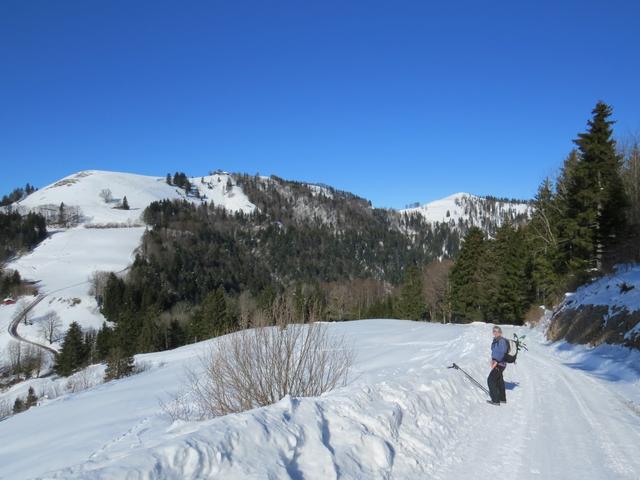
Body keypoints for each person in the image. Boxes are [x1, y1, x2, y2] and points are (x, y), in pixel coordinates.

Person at [487, 325, 508, 406]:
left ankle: (495, 400)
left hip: (500, 364)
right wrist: (493, 360)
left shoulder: (501, 341)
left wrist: (496, 361)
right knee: (499, 381)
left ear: (500, 332)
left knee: (490, 380)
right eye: (494, 331)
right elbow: (495, 352)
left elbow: (503, 352)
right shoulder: (496, 340)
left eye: (497, 331)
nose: (495, 332)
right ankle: (502, 399)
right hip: (498, 363)